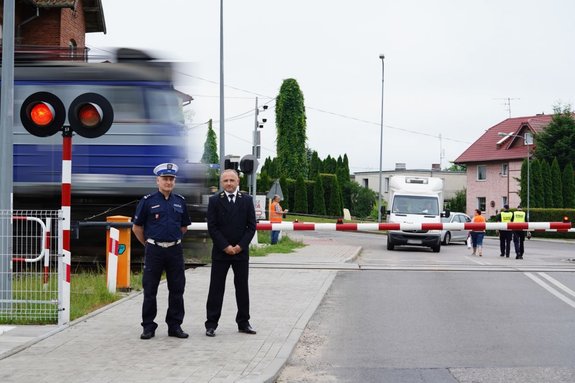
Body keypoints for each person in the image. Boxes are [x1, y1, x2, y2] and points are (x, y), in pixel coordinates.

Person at [132, 163, 191, 340]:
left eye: (171, 179)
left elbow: (183, 227)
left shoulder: (180, 201)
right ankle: (148, 327)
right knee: (150, 290)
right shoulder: (147, 201)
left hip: (174, 250)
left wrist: (171, 240)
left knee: (177, 290)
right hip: (154, 251)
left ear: (174, 181)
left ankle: (175, 326)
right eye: (165, 179)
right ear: (158, 180)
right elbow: (137, 227)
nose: (168, 182)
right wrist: (149, 244)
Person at [205, 169, 257, 337]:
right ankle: (211, 324)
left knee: (242, 288)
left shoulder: (247, 200)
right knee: (216, 288)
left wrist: (240, 246)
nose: (228, 183)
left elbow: (251, 226)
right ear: (221, 183)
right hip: (221, 252)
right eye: (225, 180)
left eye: (232, 180)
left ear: (238, 182)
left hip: (241, 253)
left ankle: (244, 322)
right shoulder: (214, 201)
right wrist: (225, 246)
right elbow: (212, 227)